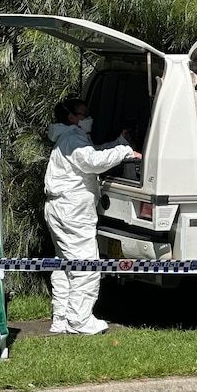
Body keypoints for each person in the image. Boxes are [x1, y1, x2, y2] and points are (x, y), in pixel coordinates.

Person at [44, 98, 141, 334]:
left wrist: (118, 142)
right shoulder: (73, 138)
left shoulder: (67, 137)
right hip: (73, 210)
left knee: (65, 264)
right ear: (71, 117)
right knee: (86, 263)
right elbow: (92, 162)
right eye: (84, 114)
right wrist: (124, 150)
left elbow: (91, 153)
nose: (89, 118)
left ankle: (62, 318)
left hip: (60, 208)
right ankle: (80, 321)